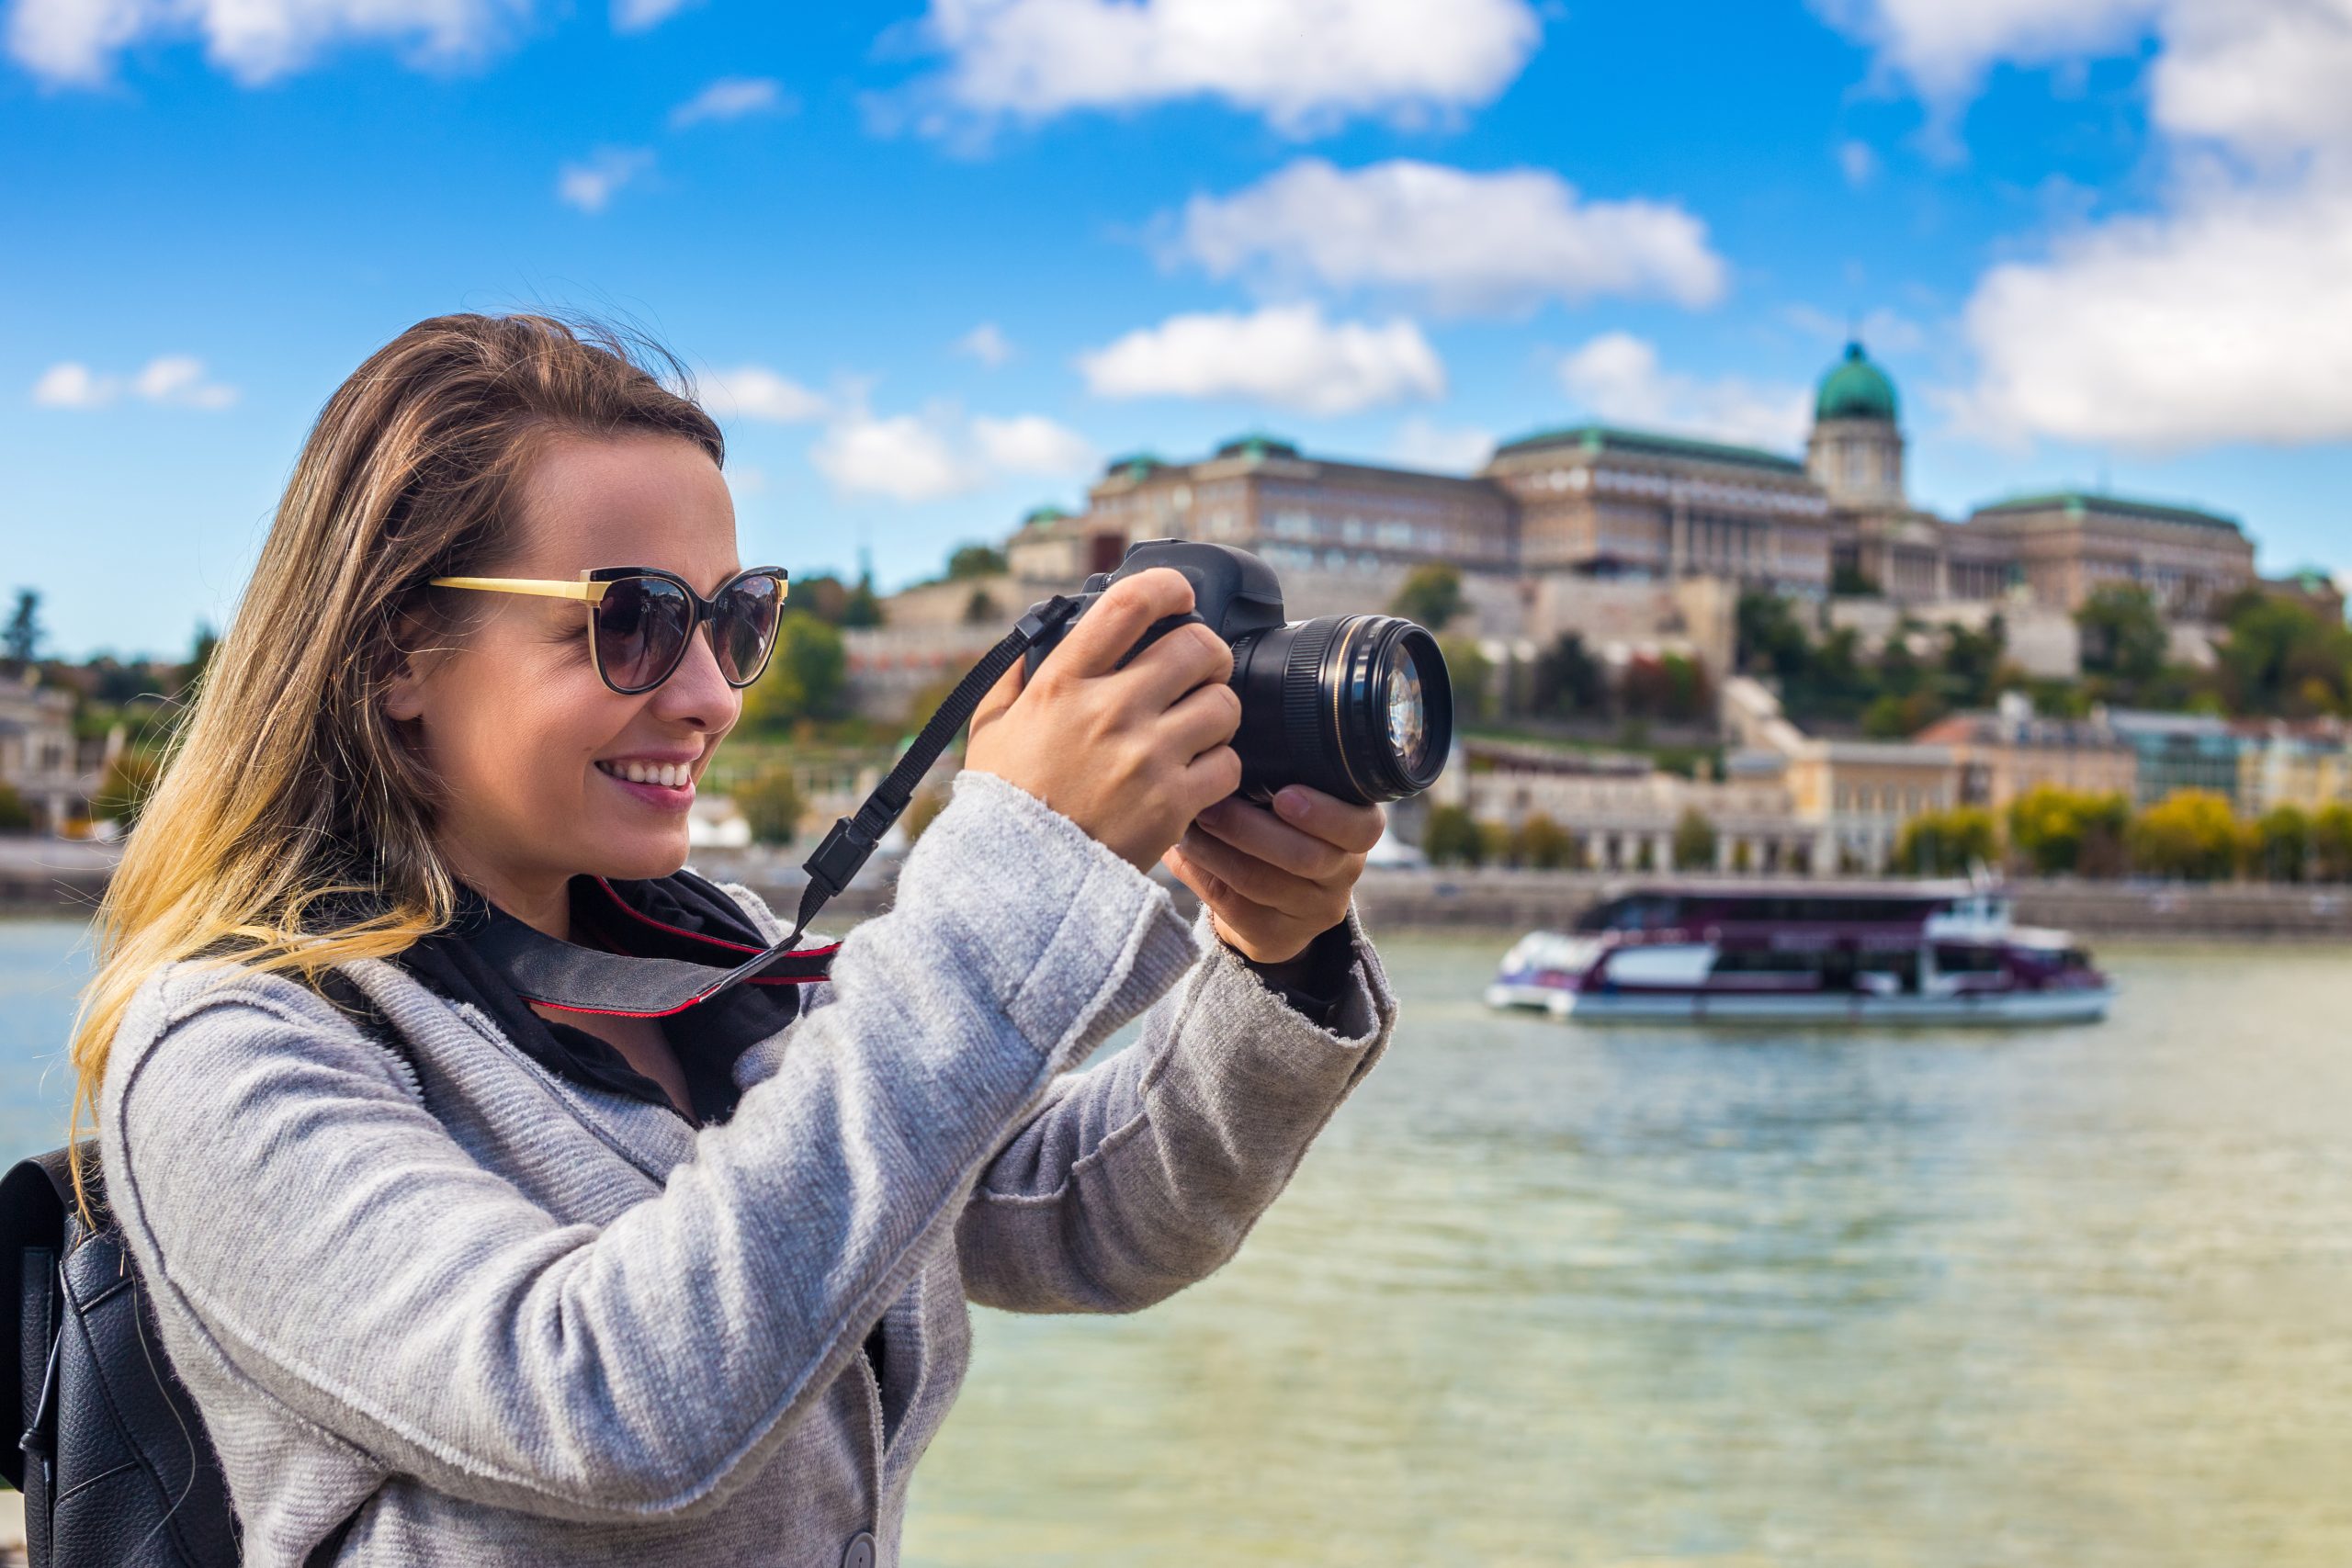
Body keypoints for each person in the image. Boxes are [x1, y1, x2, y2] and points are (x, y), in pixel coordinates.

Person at [74, 313, 1396, 1566]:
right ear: (395, 655)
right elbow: (593, 1402)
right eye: (632, 622)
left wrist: (1274, 955)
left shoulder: (718, 965)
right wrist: (1007, 879)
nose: (710, 697)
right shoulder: (229, 1044)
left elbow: (1081, 1218)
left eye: (734, 619)